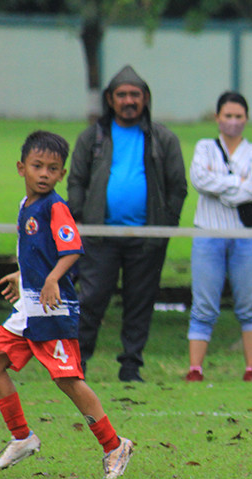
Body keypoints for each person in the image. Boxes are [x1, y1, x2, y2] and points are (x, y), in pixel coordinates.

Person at [0, 131, 134, 479]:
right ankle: (22, 437)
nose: (44, 174)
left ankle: (114, 445)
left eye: (52, 169)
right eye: (37, 166)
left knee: (68, 380)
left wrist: (51, 280)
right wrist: (23, 276)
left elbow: (72, 249)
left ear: (62, 174)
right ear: (21, 167)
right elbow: (38, 252)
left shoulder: (56, 207)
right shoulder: (25, 206)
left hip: (53, 308)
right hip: (29, 308)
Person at [68, 65, 188, 383]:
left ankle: (131, 367)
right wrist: (81, 218)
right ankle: (77, 365)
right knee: (91, 300)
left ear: (146, 98)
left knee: (140, 303)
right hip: (98, 237)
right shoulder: (92, 137)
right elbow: (76, 181)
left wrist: (165, 226)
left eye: (135, 94)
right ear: (110, 99)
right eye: (121, 95)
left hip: (147, 239)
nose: (129, 101)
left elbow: (178, 187)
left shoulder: (163, 138)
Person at [184, 91, 252, 383]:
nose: (233, 121)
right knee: (203, 304)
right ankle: (195, 369)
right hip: (208, 233)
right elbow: (199, 180)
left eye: (238, 116)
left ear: (247, 118)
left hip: (247, 237)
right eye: (228, 116)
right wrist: (238, 184)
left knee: (250, 303)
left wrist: (222, 189)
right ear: (217, 117)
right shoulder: (205, 147)